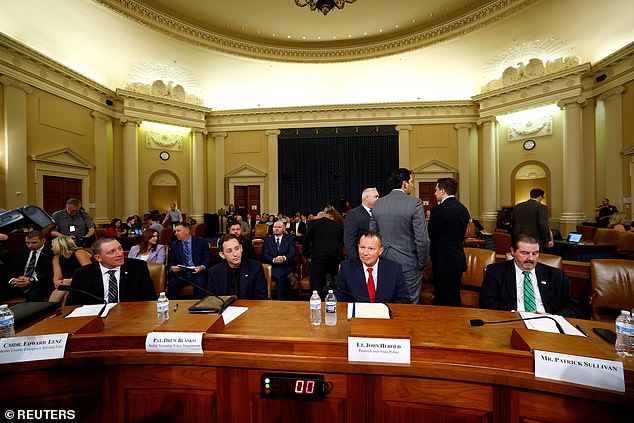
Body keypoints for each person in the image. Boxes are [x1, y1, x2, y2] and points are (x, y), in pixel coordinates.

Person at [479, 234, 582, 318]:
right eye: (525, 253)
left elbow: (574, 308)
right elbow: (486, 303)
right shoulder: (496, 272)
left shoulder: (556, 275)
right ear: (513, 251)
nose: (531, 259)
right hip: (513, 321)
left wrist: (552, 317)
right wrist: (517, 314)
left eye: (535, 253)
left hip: (548, 325)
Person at [370, 168, 430, 304]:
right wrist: (422, 263)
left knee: (385, 304)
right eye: (411, 182)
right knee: (409, 306)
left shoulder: (378, 204)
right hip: (408, 264)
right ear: (404, 184)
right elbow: (422, 240)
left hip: (383, 262)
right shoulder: (415, 203)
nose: (412, 185)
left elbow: (373, 236)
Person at [65, 237, 156, 305]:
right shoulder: (82, 274)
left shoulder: (138, 267)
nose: (119, 254)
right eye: (111, 252)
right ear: (98, 257)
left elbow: (150, 299)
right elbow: (72, 304)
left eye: (120, 248)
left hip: (130, 316)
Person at [428, 177, 470, 306]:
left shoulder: (438, 210)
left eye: (436, 190)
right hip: (457, 258)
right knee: (454, 295)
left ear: (442, 191)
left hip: (442, 261)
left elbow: (431, 234)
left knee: (442, 299)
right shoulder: (463, 209)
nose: (434, 193)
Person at [334, 231, 409, 303]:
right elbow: (337, 297)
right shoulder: (347, 267)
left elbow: (404, 300)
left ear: (380, 251)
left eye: (371, 249)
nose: (365, 253)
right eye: (362, 247)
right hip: (356, 314)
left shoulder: (394, 269)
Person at [207, 234, 267, 300]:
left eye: (237, 249)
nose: (235, 254)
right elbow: (212, 300)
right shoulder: (214, 272)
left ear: (241, 248)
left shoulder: (256, 268)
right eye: (229, 251)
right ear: (222, 255)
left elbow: (261, 298)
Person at [0, 230, 54, 302]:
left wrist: (31, 280)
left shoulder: (51, 252)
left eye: (34, 243)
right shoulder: (21, 252)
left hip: (38, 283)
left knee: (34, 295)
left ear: (43, 240)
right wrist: (12, 280)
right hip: (19, 282)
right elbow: (7, 270)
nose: (30, 245)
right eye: (27, 243)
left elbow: (49, 273)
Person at [167, 222, 211, 299]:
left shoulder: (201, 242)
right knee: (172, 283)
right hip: (182, 273)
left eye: (178, 231)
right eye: (175, 231)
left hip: (197, 272)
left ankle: (198, 307)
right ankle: (173, 307)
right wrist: (172, 267)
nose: (176, 233)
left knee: (200, 283)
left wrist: (202, 267)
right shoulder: (174, 244)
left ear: (187, 231)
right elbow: (171, 261)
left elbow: (208, 258)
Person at [303, 211, 343, 295]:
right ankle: (331, 295)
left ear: (318, 217)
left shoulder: (313, 223)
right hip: (334, 259)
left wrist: (306, 255)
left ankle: (318, 301)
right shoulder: (337, 225)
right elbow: (341, 243)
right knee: (332, 279)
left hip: (318, 257)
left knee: (316, 283)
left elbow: (306, 241)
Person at [49, 235, 92, 302]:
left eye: (52, 246)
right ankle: (52, 310)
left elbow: (89, 272)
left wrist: (72, 281)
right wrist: (58, 282)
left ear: (60, 245)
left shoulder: (79, 253)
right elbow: (57, 276)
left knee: (66, 295)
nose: (51, 249)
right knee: (60, 291)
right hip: (66, 283)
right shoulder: (56, 258)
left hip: (83, 281)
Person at [262, 221, 296, 300]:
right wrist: (273, 260)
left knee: (281, 277)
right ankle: (281, 301)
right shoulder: (267, 240)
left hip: (285, 265)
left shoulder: (289, 240)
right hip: (272, 267)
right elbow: (264, 255)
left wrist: (283, 258)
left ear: (284, 229)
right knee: (281, 276)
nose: (276, 229)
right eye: (275, 227)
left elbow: (292, 253)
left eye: (279, 227)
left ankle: (279, 301)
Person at [344, 187, 379, 261]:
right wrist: (355, 260)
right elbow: (349, 240)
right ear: (367, 198)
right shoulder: (353, 215)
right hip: (359, 260)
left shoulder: (379, 213)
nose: (378, 199)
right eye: (376, 196)